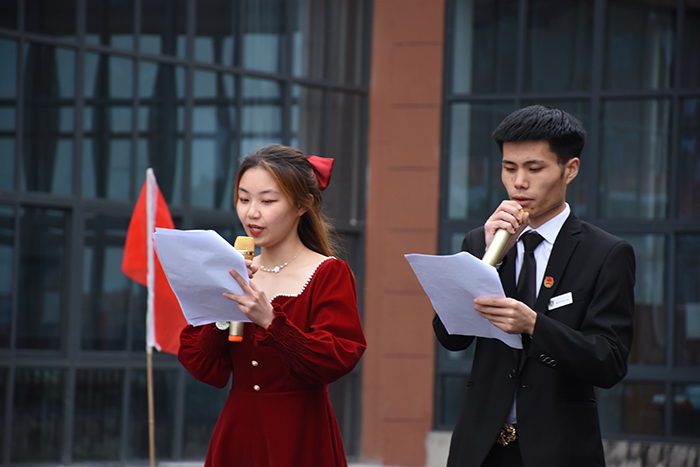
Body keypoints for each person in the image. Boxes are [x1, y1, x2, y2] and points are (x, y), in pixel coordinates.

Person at [433, 105, 635, 466]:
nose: (519, 182)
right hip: (480, 449)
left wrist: (534, 325)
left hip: (559, 449)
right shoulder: (481, 241)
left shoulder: (605, 253)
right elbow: (451, 337)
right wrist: (488, 261)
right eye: (509, 168)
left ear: (570, 169)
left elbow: (609, 361)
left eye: (534, 168)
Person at [178, 144, 367, 467]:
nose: (252, 213)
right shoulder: (234, 272)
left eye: (267, 201)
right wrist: (221, 313)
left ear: (302, 205)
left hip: (301, 432)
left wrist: (272, 322)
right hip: (238, 433)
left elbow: (336, 357)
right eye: (243, 199)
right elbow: (203, 366)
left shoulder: (328, 272)